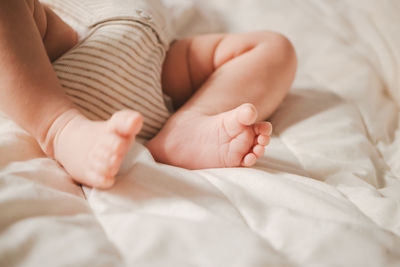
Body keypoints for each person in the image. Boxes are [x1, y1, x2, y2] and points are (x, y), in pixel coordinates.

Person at [0, 0, 297, 189]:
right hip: (64, 43)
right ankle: (59, 127)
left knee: (275, 48)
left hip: (159, 64)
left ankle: (187, 126)